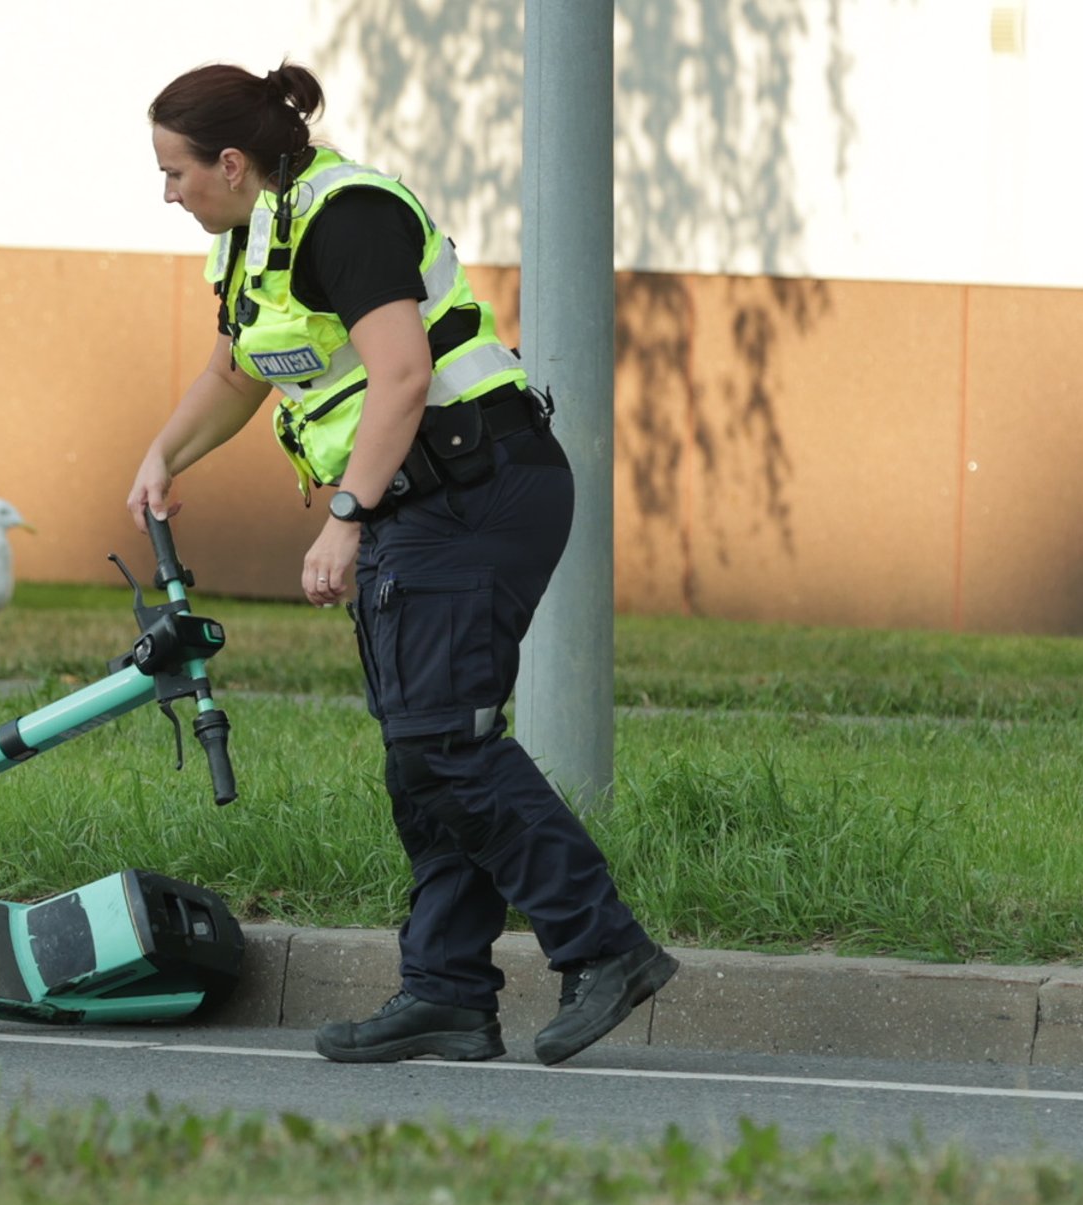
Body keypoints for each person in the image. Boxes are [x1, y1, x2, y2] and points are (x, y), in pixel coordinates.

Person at [129, 61, 677, 1067]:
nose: (168, 193)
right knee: (421, 753)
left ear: (231, 163)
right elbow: (234, 372)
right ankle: (446, 992)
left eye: (174, 172)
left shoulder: (347, 216)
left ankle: (604, 947)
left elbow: (402, 374)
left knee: (443, 743)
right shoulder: (251, 240)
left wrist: (344, 514)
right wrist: (165, 453)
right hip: (418, 504)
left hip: (474, 489)